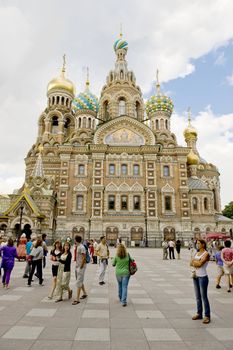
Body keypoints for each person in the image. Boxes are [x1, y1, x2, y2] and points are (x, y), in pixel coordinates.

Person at [190, 239, 211, 324]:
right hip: (195, 276)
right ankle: (199, 313)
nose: (197, 245)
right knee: (198, 297)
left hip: (203, 277)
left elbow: (200, 264)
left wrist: (195, 262)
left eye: (198, 243)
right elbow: (190, 263)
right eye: (196, 243)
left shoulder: (206, 254)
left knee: (204, 297)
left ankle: (207, 315)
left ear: (203, 244)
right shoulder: (196, 253)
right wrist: (196, 262)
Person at [72, 235, 87, 305]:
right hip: (77, 265)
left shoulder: (82, 247)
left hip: (81, 266)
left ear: (75, 240)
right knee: (79, 280)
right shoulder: (77, 246)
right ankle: (84, 293)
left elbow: (84, 257)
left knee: (78, 281)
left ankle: (77, 299)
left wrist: (81, 266)